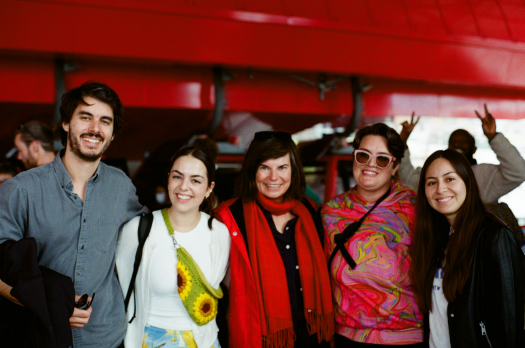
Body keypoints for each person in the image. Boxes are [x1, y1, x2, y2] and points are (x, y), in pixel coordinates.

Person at [0, 81, 147, 348]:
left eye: (105, 121)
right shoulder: (21, 190)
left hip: (107, 338)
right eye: (85, 117)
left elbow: (150, 232)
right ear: (66, 123)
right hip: (42, 338)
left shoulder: (121, 186)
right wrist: (49, 305)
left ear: (113, 134)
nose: (95, 129)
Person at [214, 131, 334, 348]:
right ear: (252, 171)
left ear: (294, 170)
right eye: (264, 167)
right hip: (258, 338)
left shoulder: (309, 210)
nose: (273, 177)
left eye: (282, 167)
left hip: (311, 337)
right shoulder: (229, 218)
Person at [116, 147, 230, 348]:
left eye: (195, 180)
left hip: (205, 341)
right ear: (168, 179)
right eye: (177, 177)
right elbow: (119, 291)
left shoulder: (219, 233)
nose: (184, 187)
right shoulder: (140, 229)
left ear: (209, 188)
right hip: (149, 341)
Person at [409, 149, 524, 347]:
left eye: (450, 179)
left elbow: (509, 323)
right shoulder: (438, 238)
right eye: (431, 182)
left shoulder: (494, 237)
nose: (440, 189)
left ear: (467, 182)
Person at [322, 123, 424, 347]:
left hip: (405, 338)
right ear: (354, 157)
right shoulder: (331, 212)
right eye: (363, 156)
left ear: (395, 166)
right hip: (348, 337)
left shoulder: (416, 209)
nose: (370, 164)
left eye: (381, 159)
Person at [398, 105, 525, 245]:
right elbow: (407, 176)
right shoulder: (435, 175)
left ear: (474, 149)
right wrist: (402, 140)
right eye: (453, 142)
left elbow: (518, 171)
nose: (442, 189)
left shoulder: (485, 174)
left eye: (451, 180)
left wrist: (493, 137)